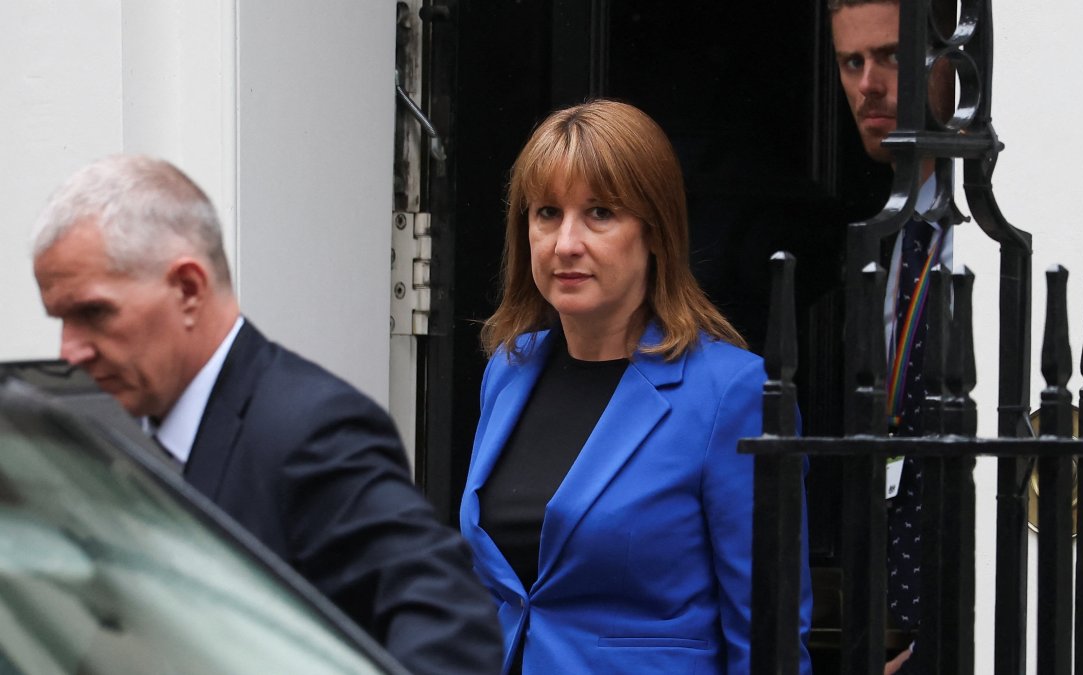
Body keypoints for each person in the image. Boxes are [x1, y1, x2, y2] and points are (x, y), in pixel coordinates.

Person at [31, 154, 503, 675]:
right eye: (60, 320)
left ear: (188, 289)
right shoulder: (109, 434)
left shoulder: (311, 430)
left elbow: (450, 624)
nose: (70, 351)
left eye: (93, 312)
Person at [458, 99, 814, 674]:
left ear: (655, 231)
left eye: (599, 213)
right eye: (547, 212)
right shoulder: (510, 369)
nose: (565, 242)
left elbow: (769, 638)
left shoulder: (734, 394)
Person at [830, 1, 955, 673]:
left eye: (892, 57)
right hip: (886, 623)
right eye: (851, 62)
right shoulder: (891, 235)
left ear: (955, 59)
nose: (867, 85)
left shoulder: (977, 229)